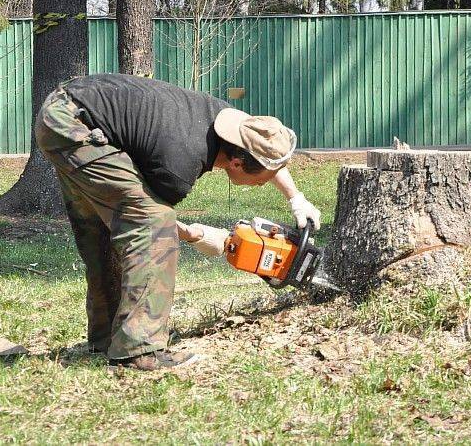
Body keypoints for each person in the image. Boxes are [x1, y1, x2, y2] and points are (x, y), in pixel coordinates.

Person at [34, 73, 321, 371]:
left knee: (101, 228)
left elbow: (266, 146)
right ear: (237, 163)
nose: (264, 184)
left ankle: (107, 337)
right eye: (263, 178)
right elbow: (150, 224)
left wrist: (296, 198)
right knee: (152, 225)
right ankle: (137, 349)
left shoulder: (230, 123)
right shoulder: (179, 165)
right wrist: (204, 236)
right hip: (73, 126)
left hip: (68, 110)